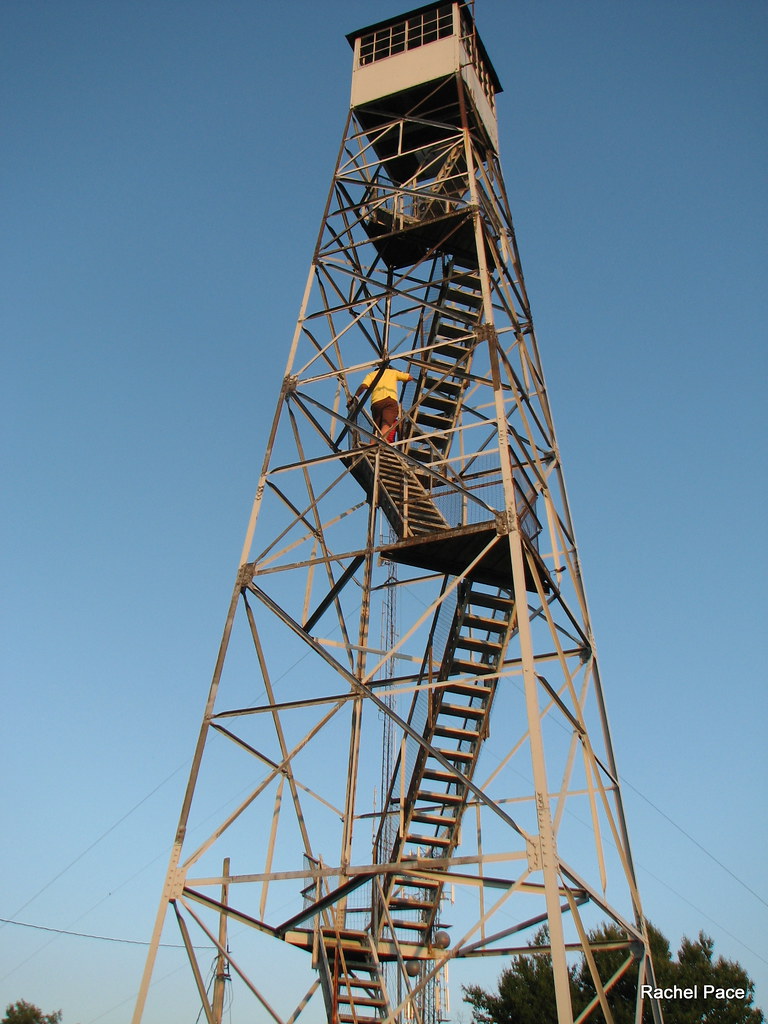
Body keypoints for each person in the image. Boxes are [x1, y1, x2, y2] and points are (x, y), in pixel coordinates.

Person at [352, 365, 413, 443]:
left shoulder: (372, 374)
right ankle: (381, 440)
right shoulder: (392, 372)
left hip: (376, 403)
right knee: (386, 423)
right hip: (389, 400)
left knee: (376, 429)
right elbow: (409, 377)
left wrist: (355, 396)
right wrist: (401, 373)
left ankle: (371, 446)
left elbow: (364, 386)